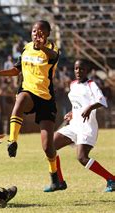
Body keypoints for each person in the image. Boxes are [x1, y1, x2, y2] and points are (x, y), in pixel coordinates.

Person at [0, 20, 63, 190]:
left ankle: (55, 178)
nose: (37, 33)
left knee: (47, 147)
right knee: (20, 100)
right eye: (34, 30)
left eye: (41, 31)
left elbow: (53, 57)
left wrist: (42, 46)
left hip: (46, 99)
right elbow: (17, 69)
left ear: (48, 34)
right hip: (29, 93)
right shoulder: (27, 48)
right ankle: (12, 141)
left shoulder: (52, 49)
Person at [49, 59, 114, 193]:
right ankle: (59, 181)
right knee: (50, 146)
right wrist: (72, 113)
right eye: (76, 69)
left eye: (82, 69)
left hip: (87, 126)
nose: (78, 71)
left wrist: (90, 108)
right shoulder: (73, 84)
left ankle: (111, 179)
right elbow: (78, 104)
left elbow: (102, 101)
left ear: (87, 71)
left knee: (82, 158)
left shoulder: (91, 85)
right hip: (74, 125)